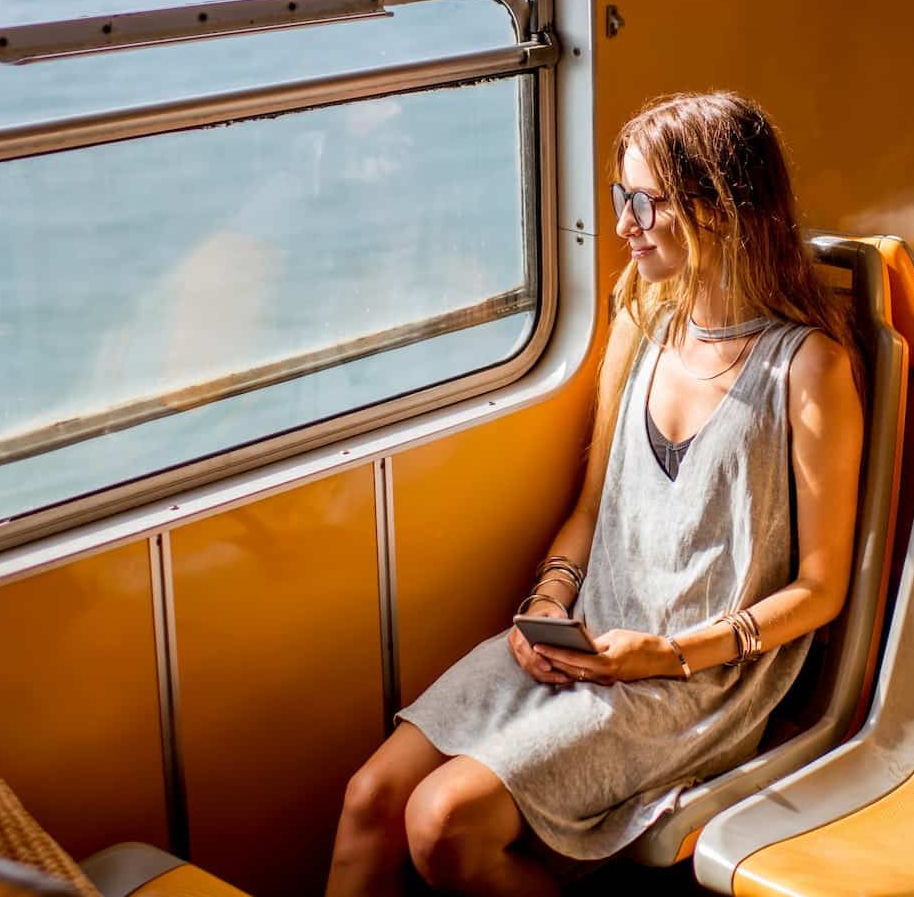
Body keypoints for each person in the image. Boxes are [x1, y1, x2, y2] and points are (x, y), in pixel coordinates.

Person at [326, 91, 865, 895]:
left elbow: (822, 588)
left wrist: (671, 653)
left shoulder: (808, 368)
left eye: (643, 202)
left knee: (443, 822)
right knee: (370, 799)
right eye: (622, 199)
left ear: (717, 208)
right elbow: (591, 511)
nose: (623, 224)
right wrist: (547, 602)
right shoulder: (641, 317)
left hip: (695, 680)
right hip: (588, 631)